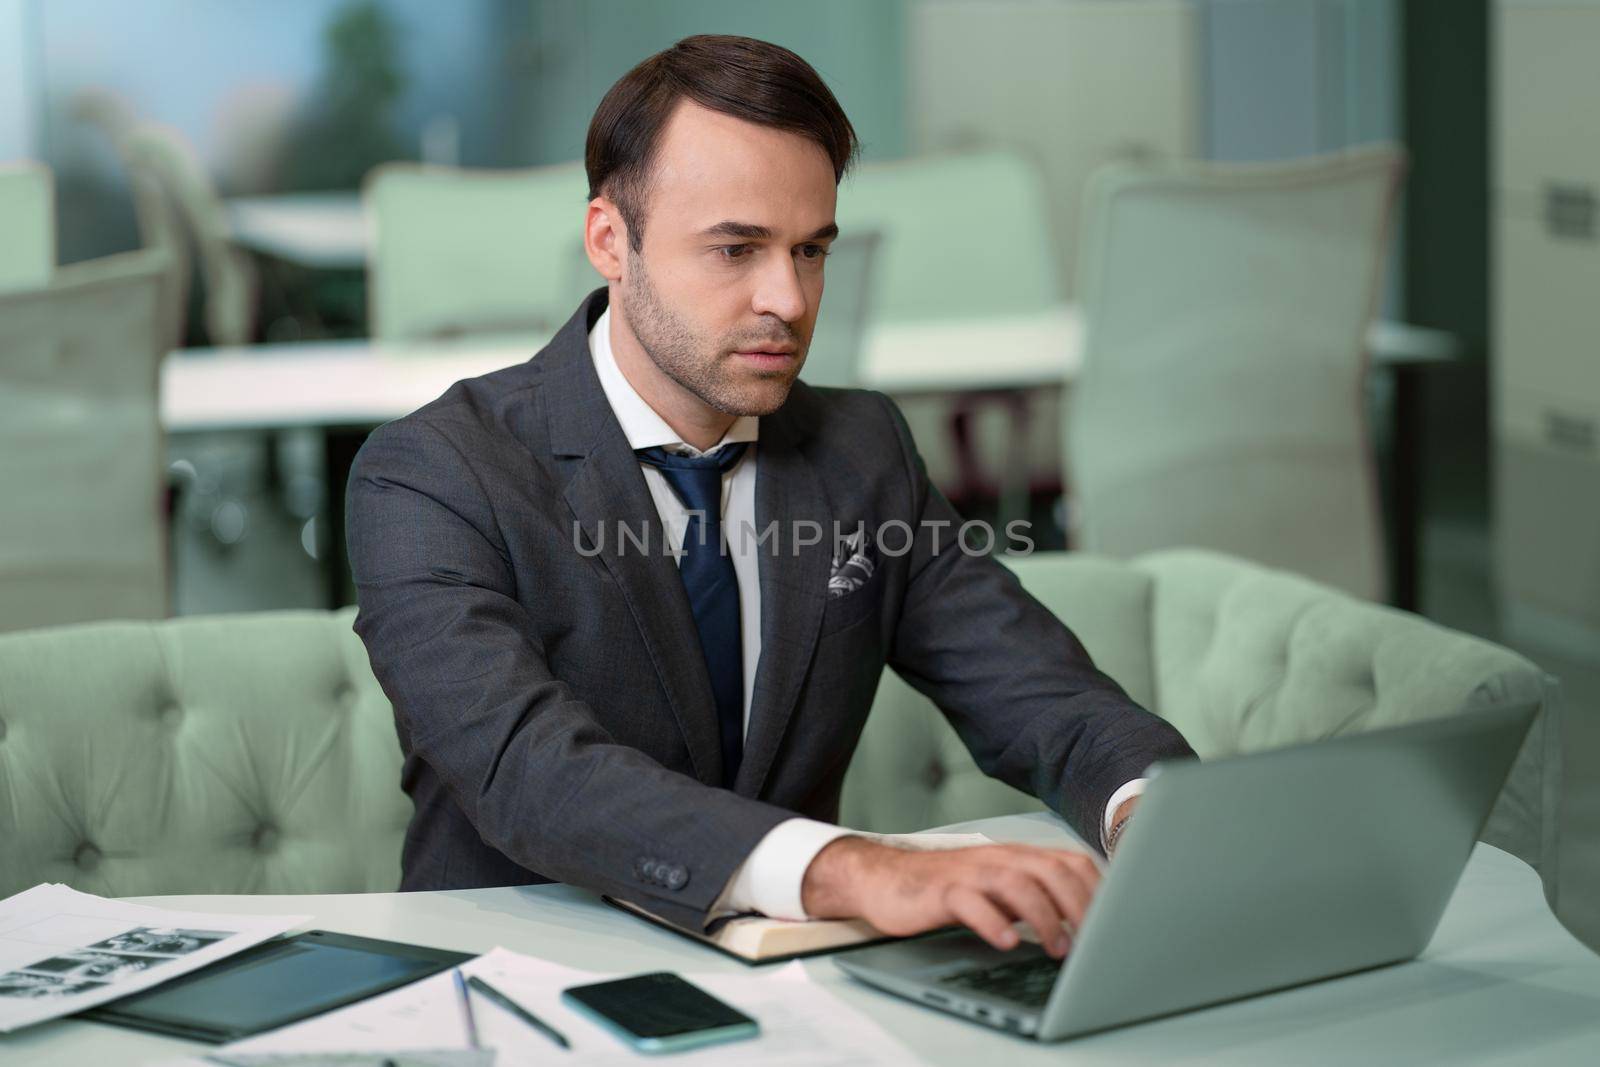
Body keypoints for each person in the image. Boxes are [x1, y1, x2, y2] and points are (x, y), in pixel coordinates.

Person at [346, 34, 1195, 959]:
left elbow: (1041, 694)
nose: (787, 299)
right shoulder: (432, 470)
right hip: (520, 985)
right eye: (736, 249)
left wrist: (1153, 813)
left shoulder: (861, 450)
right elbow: (527, 769)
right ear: (609, 240)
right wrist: (856, 867)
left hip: (796, 995)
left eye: (811, 250)